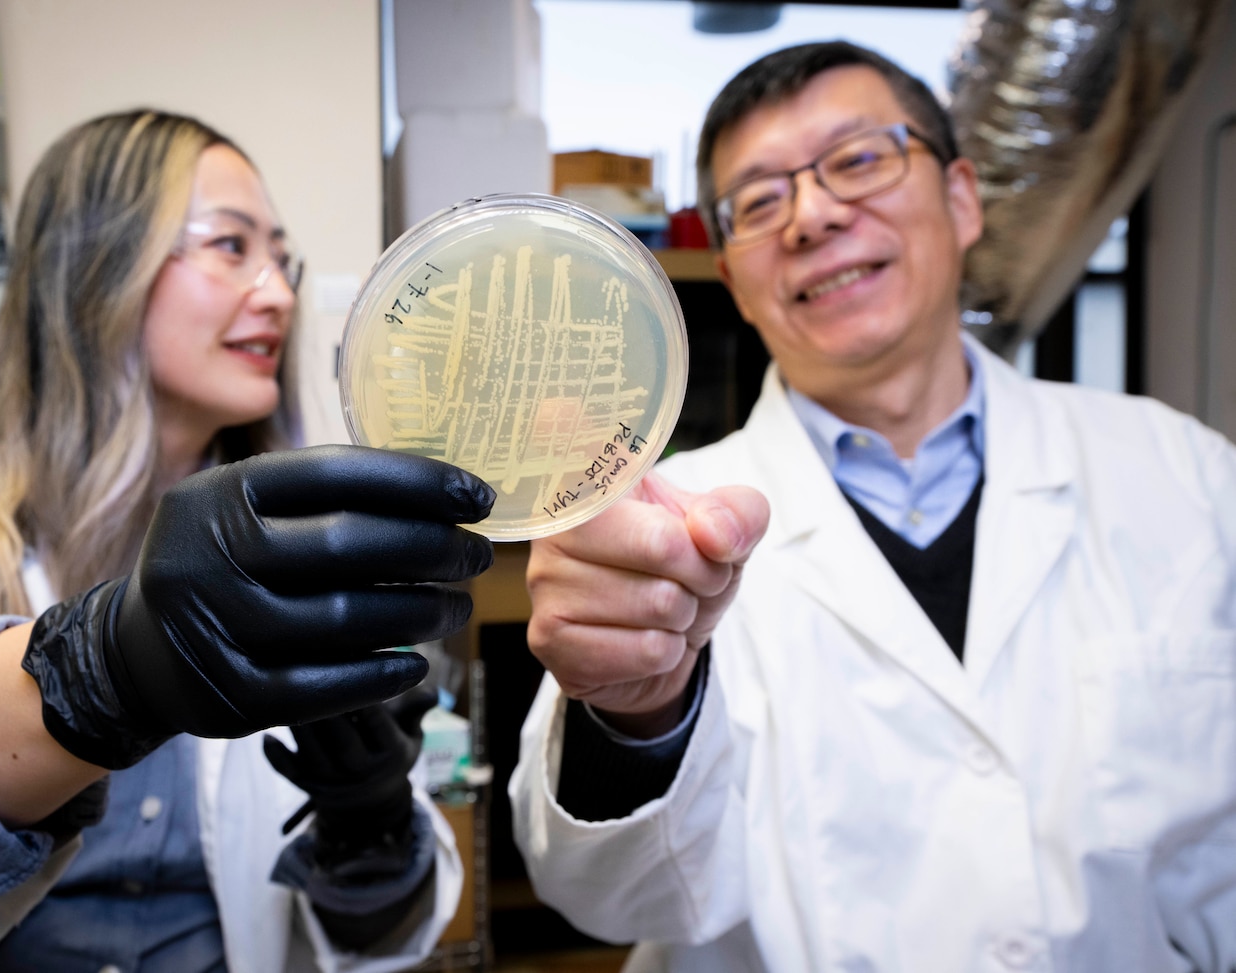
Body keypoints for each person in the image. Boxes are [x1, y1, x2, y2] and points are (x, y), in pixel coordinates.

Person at [510, 40, 1236, 972]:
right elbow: (606, 896)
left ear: (963, 199)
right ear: (733, 279)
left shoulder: (1187, 475)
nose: (812, 216)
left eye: (858, 160)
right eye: (759, 202)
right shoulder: (658, 531)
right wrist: (638, 715)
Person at [0, 109, 497, 973]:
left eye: (281, 258)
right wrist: (99, 671)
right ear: (95, 267)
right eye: (230, 245)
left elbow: (382, 936)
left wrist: (369, 820)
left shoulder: (304, 557)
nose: (277, 292)